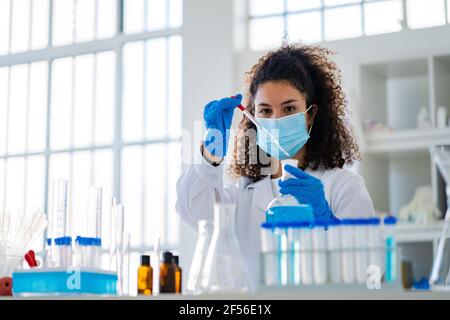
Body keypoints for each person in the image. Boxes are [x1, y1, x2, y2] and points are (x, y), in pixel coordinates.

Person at [176, 43, 375, 288]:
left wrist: (328, 221)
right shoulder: (243, 194)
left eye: (289, 108)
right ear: (253, 117)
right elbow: (193, 210)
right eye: (265, 110)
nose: (276, 120)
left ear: (310, 114)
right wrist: (210, 154)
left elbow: (371, 269)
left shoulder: (343, 185)